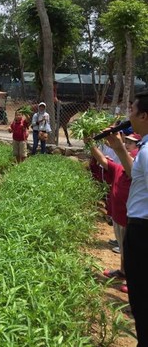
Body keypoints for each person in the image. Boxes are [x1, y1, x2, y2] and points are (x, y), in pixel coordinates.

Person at [105, 91, 148, 346]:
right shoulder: (142, 148)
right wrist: (120, 148)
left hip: (144, 231)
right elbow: (136, 176)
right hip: (139, 227)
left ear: (144, 115)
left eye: (131, 110)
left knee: (142, 298)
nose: (128, 115)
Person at [85, 133, 139, 293]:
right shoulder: (119, 167)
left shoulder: (136, 173)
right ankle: (123, 272)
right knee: (123, 248)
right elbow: (102, 159)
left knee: (132, 251)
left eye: (131, 143)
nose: (128, 146)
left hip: (131, 218)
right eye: (127, 142)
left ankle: (134, 280)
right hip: (118, 216)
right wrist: (90, 144)